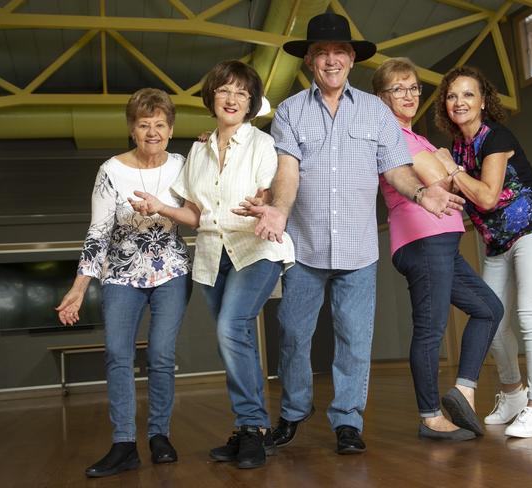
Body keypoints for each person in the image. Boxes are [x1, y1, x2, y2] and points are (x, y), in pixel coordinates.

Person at [235, 13, 465, 454]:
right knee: (294, 334)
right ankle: (294, 413)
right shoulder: (291, 112)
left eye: (338, 51)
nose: (330, 59)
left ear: (351, 59)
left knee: (354, 340)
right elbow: (288, 171)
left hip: (360, 248)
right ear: (310, 62)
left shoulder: (377, 112)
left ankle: (347, 422)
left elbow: (395, 170)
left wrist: (422, 195)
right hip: (305, 246)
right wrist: (279, 211)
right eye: (320, 52)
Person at [130, 60, 294, 469]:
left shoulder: (261, 144)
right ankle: (248, 430)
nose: (233, 98)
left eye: (242, 92)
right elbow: (193, 213)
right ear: (212, 98)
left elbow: (266, 193)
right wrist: (159, 206)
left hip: (255, 249)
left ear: (252, 101)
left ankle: (253, 427)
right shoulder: (197, 153)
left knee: (230, 328)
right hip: (210, 256)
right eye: (225, 90)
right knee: (233, 341)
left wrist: (264, 205)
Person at [56, 88, 192, 477]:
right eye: (144, 124)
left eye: (160, 124)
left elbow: (195, 214)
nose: (153, 132)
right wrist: (79, 288)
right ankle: (123, 444)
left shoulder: (183, 165)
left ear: (171, 128)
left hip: (171, 271)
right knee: (118, 354)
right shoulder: (111, 170)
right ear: (132, 129)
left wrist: (163, 207)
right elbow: (98, 233)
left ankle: (159, 436)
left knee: (162, 355)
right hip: (120, 275)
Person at [371, 58, 503, 441]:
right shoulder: (392, 136)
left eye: (413, 87)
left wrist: (446, 165)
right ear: (382, 98)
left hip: (442, 241)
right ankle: (430, 417)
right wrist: (447, 164)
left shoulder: (419, 139)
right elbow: (439, 180)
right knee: (430, 330)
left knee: (489, 309)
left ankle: (462, 391)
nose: (409, 95)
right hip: (420, 240)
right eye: (398, 89)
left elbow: (447, 176)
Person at [433, 66, 532, 438]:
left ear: (483, 101)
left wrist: (452, 170)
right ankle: (513, 394)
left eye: (468, 94)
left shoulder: (496, 137)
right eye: (452, 95)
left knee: (530, 312)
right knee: (491, 316)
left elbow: (488, 197)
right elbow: (454, 191)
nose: (459, 102)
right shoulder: (458, 146)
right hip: (497, 243)